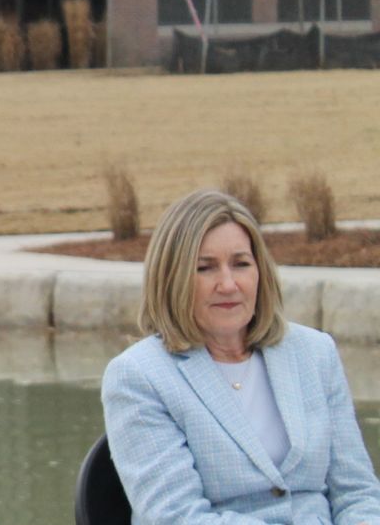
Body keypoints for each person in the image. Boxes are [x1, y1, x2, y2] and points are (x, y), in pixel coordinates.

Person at [101, 188, 380, 524]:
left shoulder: (315, 353)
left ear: (259, 271)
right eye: (205, 268)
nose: (229, 284)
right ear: (171, 278)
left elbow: (358, 492)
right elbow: (176, 516)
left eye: (241, 264)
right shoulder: (138, 376)